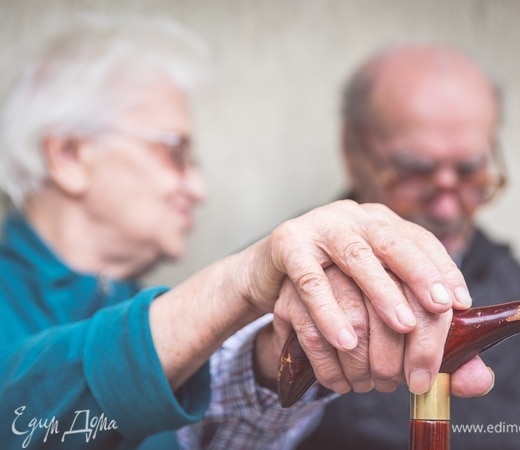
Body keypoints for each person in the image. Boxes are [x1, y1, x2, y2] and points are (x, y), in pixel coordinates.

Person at [0, 17, 494, 450]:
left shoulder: (143, 307)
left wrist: (289, 344)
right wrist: (237, 281)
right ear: (67, 156)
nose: (198, 188)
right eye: (175, 153)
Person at [294, 44, 520, 450]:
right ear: (352, 151)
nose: (447, 207)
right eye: (415, 171)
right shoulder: (292, 285)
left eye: (470, 171)